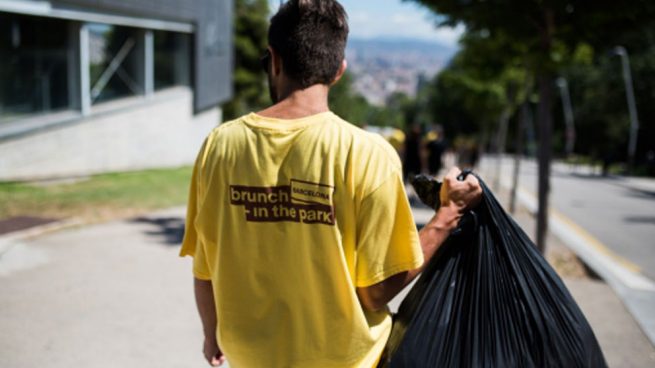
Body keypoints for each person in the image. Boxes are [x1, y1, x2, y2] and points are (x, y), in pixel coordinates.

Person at [179, 1, 482, 367]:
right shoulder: (367, 152)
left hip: (249, 357)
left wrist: (211, 333)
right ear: (339, 71)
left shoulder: (219, 144)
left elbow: (205, 267)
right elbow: (376, 290)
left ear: (273, 60)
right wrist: (448, 214)